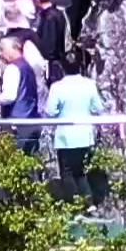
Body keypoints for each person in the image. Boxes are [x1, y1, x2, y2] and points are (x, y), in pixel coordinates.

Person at [44, 49, 105, 205]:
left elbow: (50, 111)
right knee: (81, 172)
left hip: (65, 136)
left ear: (62, 66)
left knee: (67, 172)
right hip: (85, 134)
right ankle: (89, 203)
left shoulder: (57, 87)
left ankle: (75, 205)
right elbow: (98, 108)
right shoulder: (89, 84)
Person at [0, 33, 41, 155]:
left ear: (15, 48)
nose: (1, 53)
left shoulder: (12, 68)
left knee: (15, 161)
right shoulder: (28, 67)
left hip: (17, 124)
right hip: (31, 121)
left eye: (3, 49)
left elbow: (9, 96)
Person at [34, 0, 69, 79]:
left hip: (51, 63)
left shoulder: (49, 17)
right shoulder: (58, 13)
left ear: (37, 0)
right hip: (58, 59)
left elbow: (49, 44)